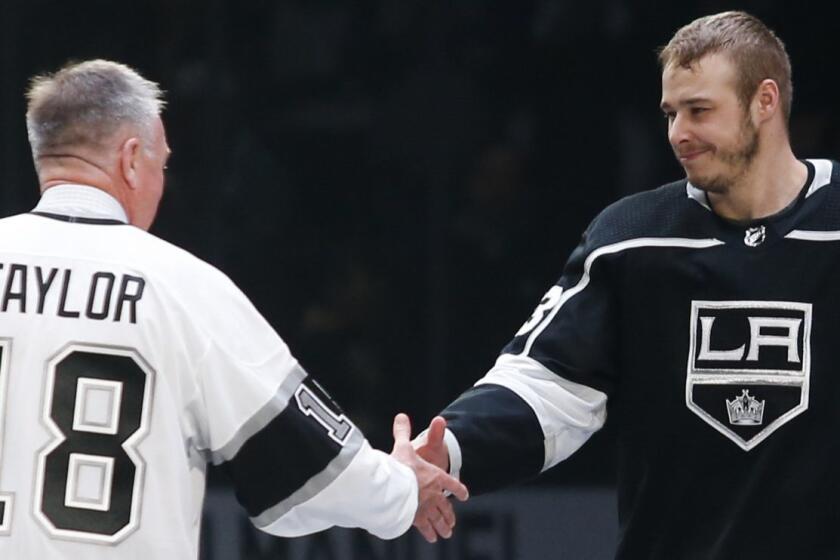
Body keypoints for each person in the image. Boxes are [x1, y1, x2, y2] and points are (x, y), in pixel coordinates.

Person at [413, 10, 840, 557]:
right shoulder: (631, 239)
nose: (679, 134)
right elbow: (548, 387)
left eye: (699, 111)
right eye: (670, 114)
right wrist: (447, 447)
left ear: (765, 100)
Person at [0, 59, 466, 559]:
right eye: (163, 163)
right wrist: (400, 487)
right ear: (132, 159)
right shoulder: (184, 287)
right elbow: (307, 469)